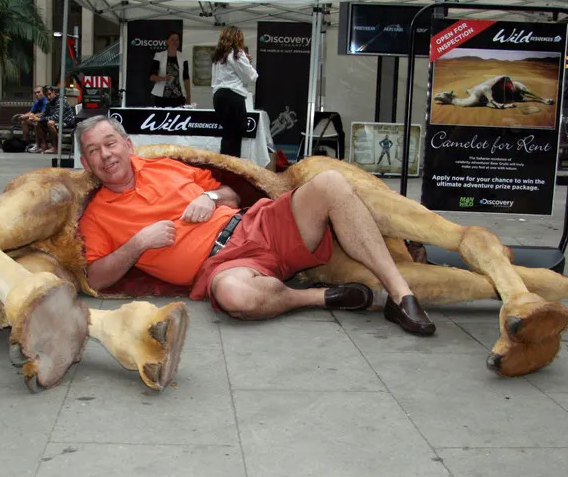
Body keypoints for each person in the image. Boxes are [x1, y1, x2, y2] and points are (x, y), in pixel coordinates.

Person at [76, 115, 436, 335]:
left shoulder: (167, 166)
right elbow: (95, 278)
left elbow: (232, 193)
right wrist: (137, 244)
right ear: (86, 162)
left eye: (111, 144)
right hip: (225, 266)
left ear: (128, 145)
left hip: (256, 224)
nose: (106, 155)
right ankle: (318, 297)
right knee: (235, 296)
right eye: (94, 151)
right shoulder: (97, 216)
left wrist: (211, 198)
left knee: (330, 183)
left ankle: (401, 295)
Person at [211, 26, 258, 158]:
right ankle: (232, 168)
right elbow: (251, 76)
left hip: (219, 95)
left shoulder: (218, 55)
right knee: (236, 135)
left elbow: (215, 79)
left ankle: (224, 166)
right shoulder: (237, 54)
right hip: (233, 95)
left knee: (227, 133)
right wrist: (248, 63)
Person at [150, 31, 191, 108]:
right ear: (167, 42)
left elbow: (186, 78)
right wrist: (163, 78)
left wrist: (188, 97)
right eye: (172, 39)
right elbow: (151, 76)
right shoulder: (159, 56)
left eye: (177, 40)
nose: (175, 42)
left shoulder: (183, 57)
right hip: (161, 97)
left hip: (178, 96)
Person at [37, 85, 77, 155]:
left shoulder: (61, 101)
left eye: (49, 94)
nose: (48, 97)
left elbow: (57, 117)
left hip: (66, 122)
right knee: (37, 122)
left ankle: (55, 147)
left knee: (50, 123)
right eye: (46, 95)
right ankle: (43, 145)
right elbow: (44, 114)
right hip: (56, 122)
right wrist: (35, 117)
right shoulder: (48, 103)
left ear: (53, 92)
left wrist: (40, 118)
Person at [21, 87, 48, 153]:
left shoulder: (46, 101)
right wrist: (24, 115)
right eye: (35, 93)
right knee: (24, 121)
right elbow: (31, 112)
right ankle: (25, 142)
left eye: (38, 92)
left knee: (35, 122)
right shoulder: (37, 102)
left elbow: (44, 113)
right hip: (36, 119)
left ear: (43, 93)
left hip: (45, 119)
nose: (36, 94)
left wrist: (31, 116)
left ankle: (39, 144)